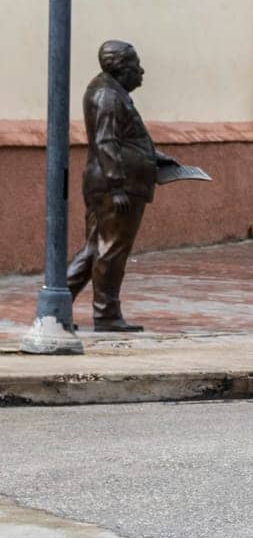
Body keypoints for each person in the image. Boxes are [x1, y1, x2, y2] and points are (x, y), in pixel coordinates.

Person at [66, 41, 182, 332]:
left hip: (111, 181)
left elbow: (128, 138)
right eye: (136, 67)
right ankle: (106, 315)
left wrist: (155, 158)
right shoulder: (108, 95)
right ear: (122, 69)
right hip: (115, 185)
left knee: (95, 248)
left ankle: (59, 306)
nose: (141, 72)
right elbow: (106, 142)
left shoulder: (111, 91)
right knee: (112, 250)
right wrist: (117, 185)